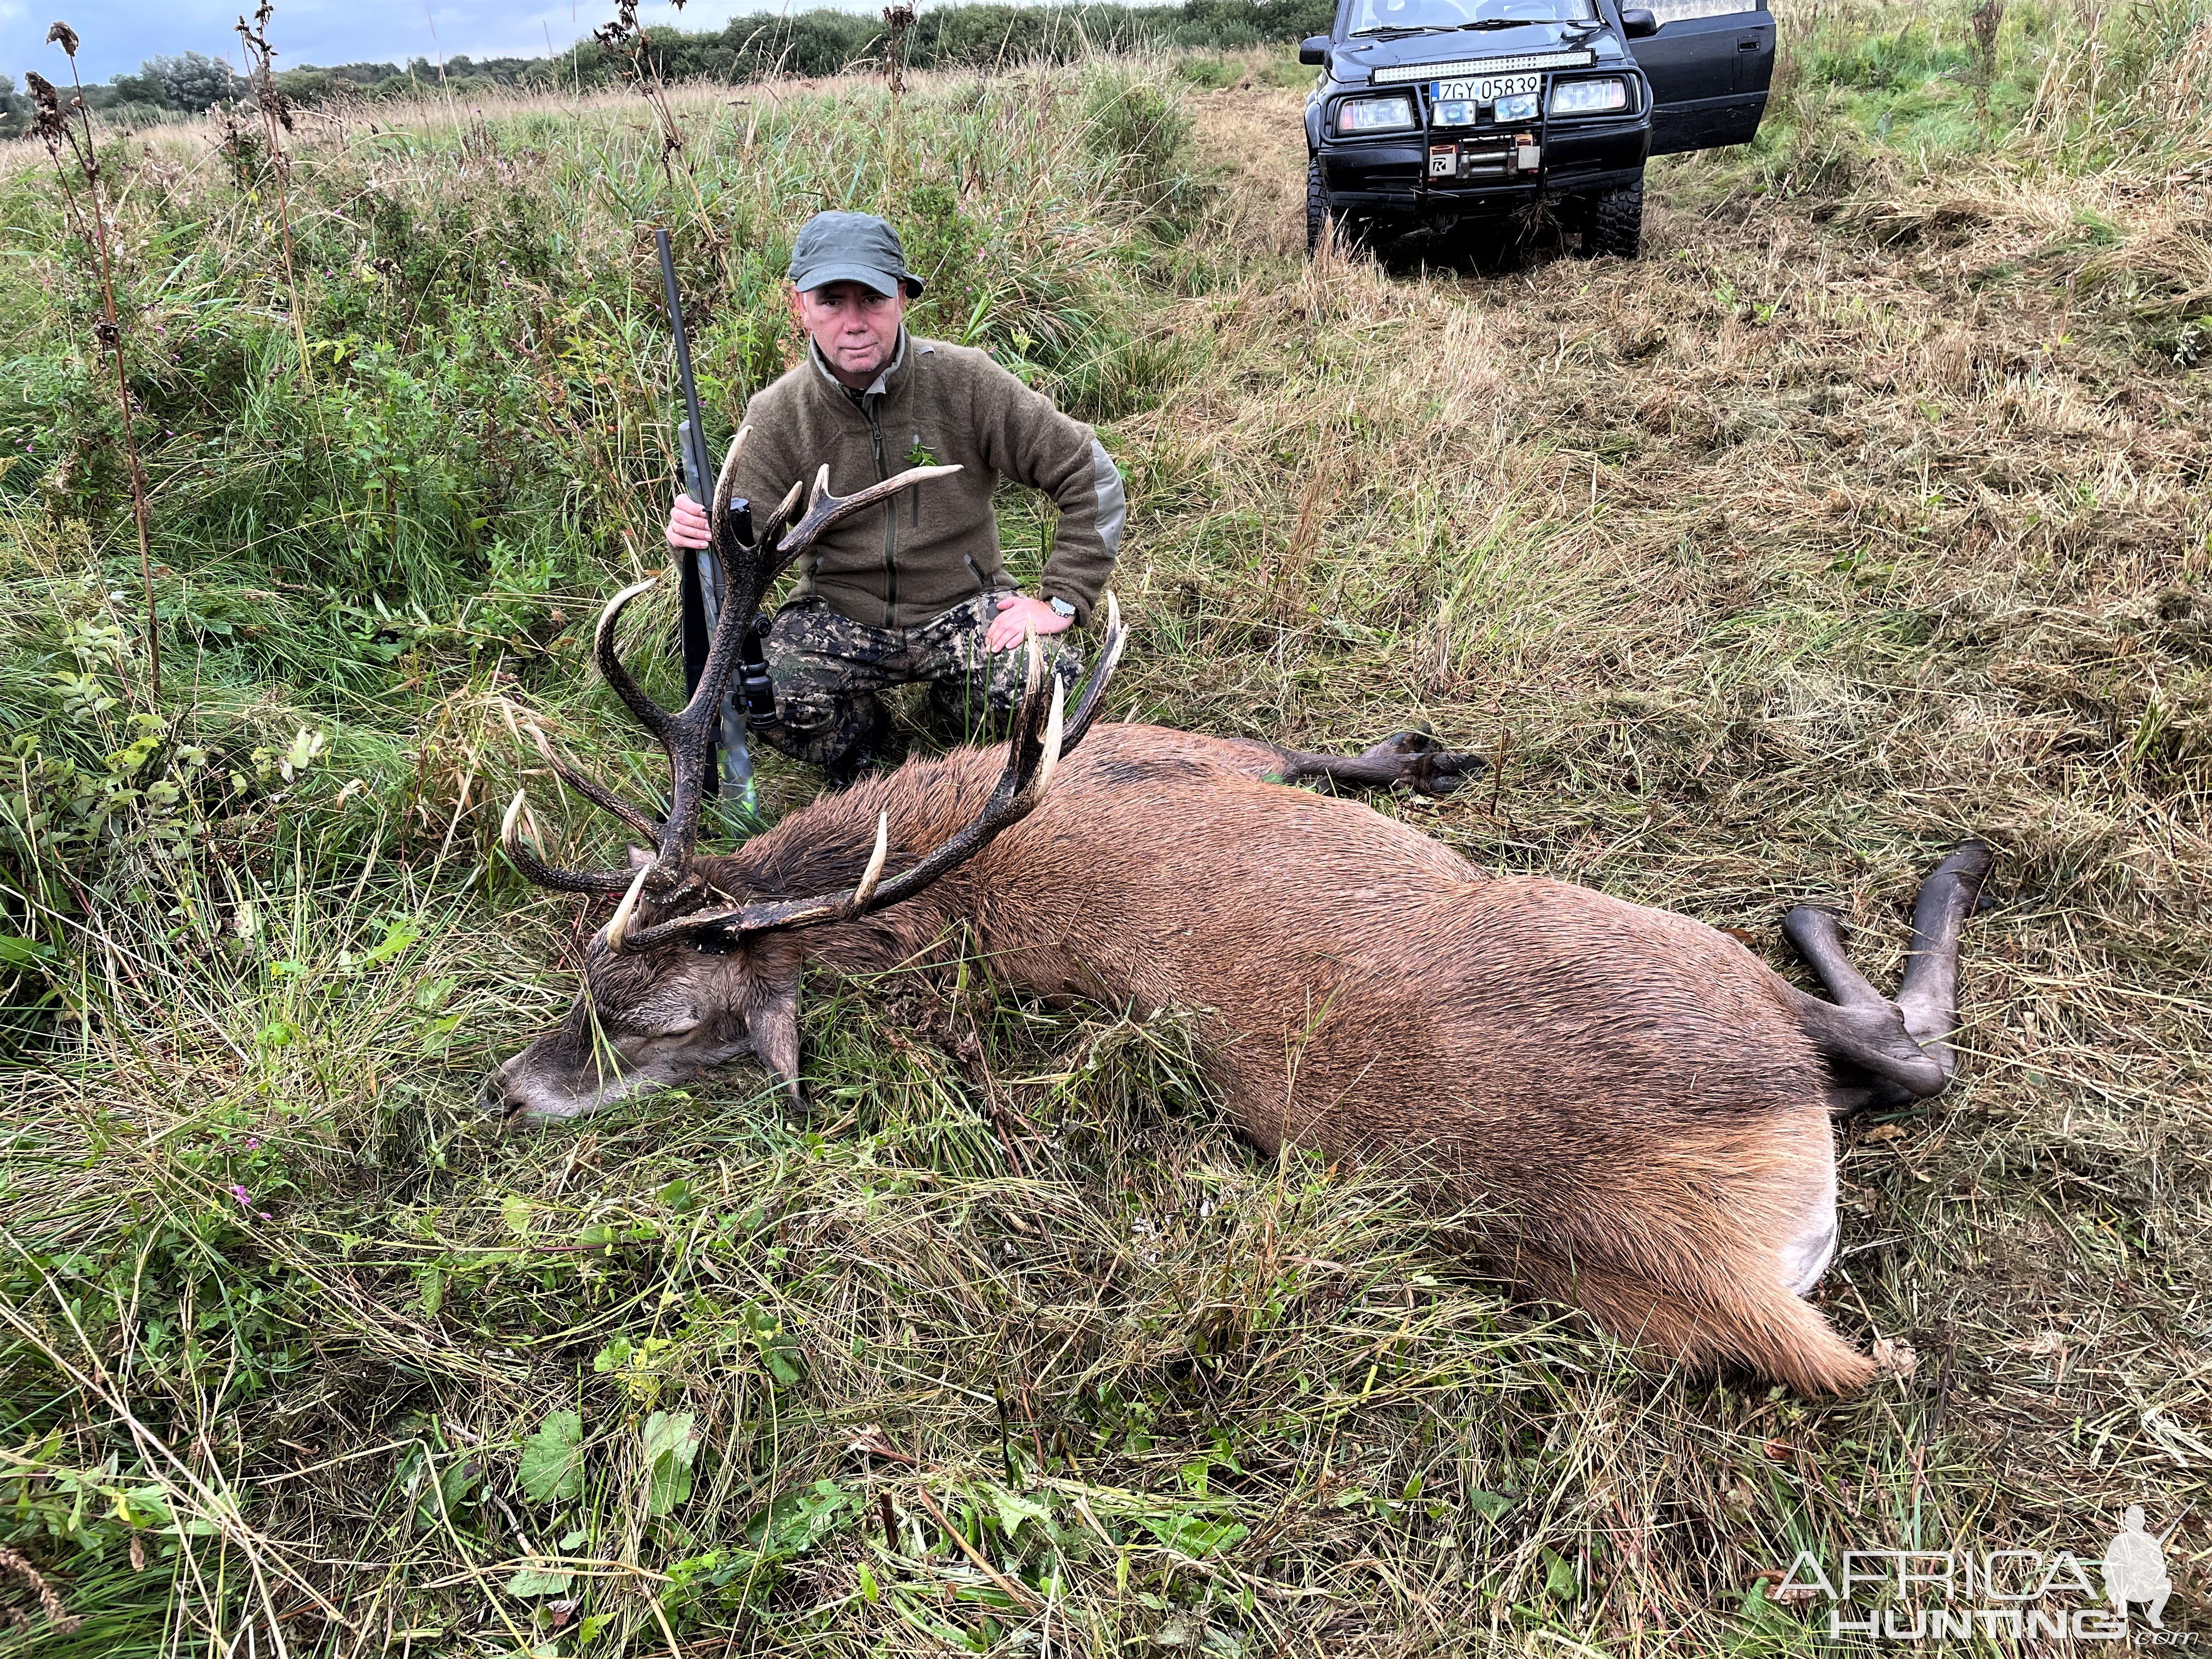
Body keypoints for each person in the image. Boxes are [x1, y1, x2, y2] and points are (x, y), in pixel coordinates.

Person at [667, 210, 1126, 786]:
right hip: (840, 614)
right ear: (800, 308)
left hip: (967, 606)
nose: (854, 323)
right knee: (764, 691)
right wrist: (696, 540)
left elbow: (1092, 476)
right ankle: (869, 745)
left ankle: (950, 715)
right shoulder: (779, 415)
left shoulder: (968, 381)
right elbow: (737, 544)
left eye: (874, 299)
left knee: (1046, 683)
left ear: (903, 299)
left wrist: (1061, 602)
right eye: (833, 301)